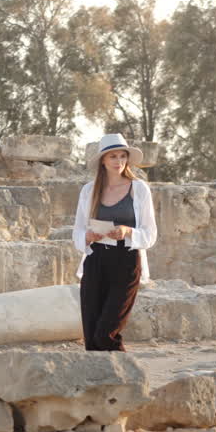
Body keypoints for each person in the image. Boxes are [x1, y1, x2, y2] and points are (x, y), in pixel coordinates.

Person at [71, 133, 157, 351]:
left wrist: (128, 231)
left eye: (122, 156)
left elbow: (150, 233)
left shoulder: (139, 189)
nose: (119, 161)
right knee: (92, 336)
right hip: (95, 260)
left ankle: (123, 370)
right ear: (103, 160)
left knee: (106, 333)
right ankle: (100, 373)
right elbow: (78, 230)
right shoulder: (89, 190)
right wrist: (88, 237)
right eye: (113, 157)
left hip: (126, 262)